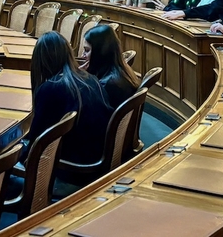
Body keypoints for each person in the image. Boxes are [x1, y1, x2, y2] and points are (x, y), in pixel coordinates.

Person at [28, 32, 112, 165]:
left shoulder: (50, 88)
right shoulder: (90, 78)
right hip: (98, 153)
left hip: (74, 162)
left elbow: (36, 139)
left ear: (41, 60)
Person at [80, 25, 141, 109]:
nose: (82, 55)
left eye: (87, 50)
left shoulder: (108, 84)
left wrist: (78, 78)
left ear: (100, 52)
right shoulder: (120, 71)